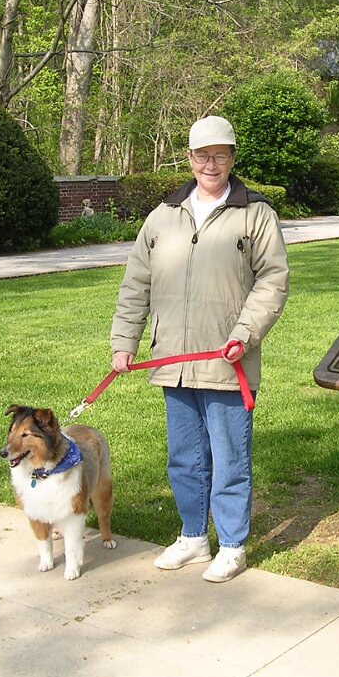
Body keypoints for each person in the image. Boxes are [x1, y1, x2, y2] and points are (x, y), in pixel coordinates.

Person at [110, 114, 290, 583]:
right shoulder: (162, 216)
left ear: (232, 158)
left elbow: (273, 280)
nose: (211, 164)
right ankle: (193, 537)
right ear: (189, 158)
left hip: (227, 361)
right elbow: (136, 284)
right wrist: (124, 341)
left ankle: (232, 545)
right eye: (203, 155)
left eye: (220, 155)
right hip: (174, 361)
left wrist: (243, 334)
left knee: (230, 458)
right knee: (184, 458)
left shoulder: (256, 214)